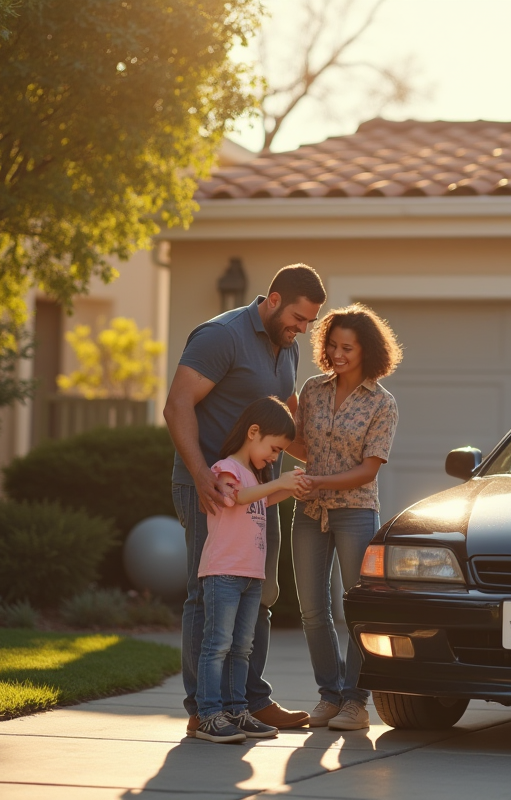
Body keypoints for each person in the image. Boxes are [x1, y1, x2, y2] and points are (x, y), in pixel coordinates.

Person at [164, 263, 325, 736]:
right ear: (274, 300)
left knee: (259, 592)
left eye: (310, 322)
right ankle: (204, 708)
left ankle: (247, 701)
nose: (302, 329)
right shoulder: (222, 336)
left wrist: (330, 464)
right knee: (206, 596)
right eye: (298, 318)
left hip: (258, 492)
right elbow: (177, 405)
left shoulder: (287, 350)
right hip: (211, 487)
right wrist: (199, 476)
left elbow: (283, 428)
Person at [288, 303, 402, 731]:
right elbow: (302, 447)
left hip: (355, 512)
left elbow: (369, 468)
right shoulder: (313, 390)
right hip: (309, 512)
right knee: (312, 610)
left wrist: (317, 481)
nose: (338, 354)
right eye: (333, 345)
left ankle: (356, 701)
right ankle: (330, 695)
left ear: (367, 351)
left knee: (355, 609)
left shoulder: (383, 403)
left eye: (348, 348)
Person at [194, 397, 306, 744]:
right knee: (217, 645)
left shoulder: (255, 479)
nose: (274, 458)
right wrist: (277, 482)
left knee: (242, 647)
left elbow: (259, 499)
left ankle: (237, 710)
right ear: (253, 432)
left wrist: (289, 486)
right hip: (224, 573)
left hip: (250, 575)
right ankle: (209, 715)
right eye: (273, 449)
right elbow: (236, 499)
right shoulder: (225, 469)